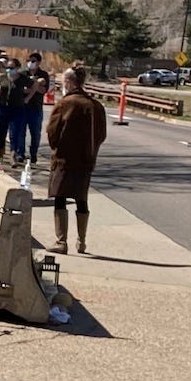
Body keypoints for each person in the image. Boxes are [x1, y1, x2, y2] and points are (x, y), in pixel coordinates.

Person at [44, 64, 107, 255]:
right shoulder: (95, 106)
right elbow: (102, 134)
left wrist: (57, 148)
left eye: (63, 81)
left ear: (69, 82)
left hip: (64, 159)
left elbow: (52, 131)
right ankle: (82, 241)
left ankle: (61, 241)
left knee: (60, 197)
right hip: (86, 160)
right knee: (81, 199)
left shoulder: (65, 104)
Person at [16, 53, 51, 172]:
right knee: (21, 131)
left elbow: (43, 90)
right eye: (29, 60)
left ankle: (33, 154)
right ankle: (20, 154)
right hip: (22, 107)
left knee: (35, 133)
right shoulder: (22, 74)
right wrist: (34, 87)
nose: (31, 62)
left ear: (39, 62)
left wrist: (32, 88)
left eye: (34, 60)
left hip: (35, 108)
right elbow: (21, 89)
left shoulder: (43, 75)